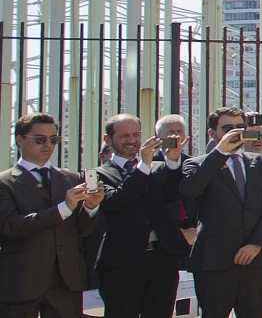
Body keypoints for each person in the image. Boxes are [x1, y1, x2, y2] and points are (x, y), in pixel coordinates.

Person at [180, 107, 262, 318]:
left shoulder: (260, 163)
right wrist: (220, 152)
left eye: (239, 127)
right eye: (227, 128)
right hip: (214, 262)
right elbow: (190, 190)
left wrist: (256, 243)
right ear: (213, 133)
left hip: (254, 261)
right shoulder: (197, 164)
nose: (235, 132)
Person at [0, 113, 104, 318]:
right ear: (20, 140)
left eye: (54, 139)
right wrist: (64, 208)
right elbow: (12, 227)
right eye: (40, 139)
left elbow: (82, 230)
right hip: (23, 280)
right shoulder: (5, 182)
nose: (48, 144)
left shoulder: (70, 178)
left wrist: (90, 208)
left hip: (66, 280)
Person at [92, 114, 188, 318]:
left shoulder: (159, 168)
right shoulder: (100, 174)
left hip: (162, 258)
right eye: (124, 135)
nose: (132, 140)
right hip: (122, 264)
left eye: (136, 134)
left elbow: (173, 195)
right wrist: (143, 166)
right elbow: (117, 201)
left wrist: (172, 162)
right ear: (108, 140)